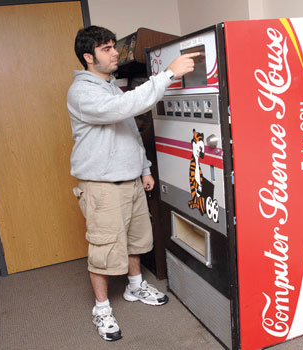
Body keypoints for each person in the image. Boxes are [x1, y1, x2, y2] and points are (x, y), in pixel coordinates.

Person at [67, 25, 198, 341]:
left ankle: (135, 287)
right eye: (107, 49)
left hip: (131, 181)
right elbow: (123, 110)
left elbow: (129, 133)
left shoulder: (112, 87)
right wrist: (168, 74)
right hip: (102, 187)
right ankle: (101, 310)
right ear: (88, 56)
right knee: (104, 248)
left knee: (136, 240)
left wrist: (145, 168)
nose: (115, 54)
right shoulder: (82, 92)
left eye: (114, 46)